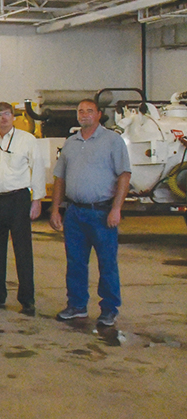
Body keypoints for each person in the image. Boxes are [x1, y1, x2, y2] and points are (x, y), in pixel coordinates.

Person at [50, 99, 131, 327]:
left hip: (102, 213)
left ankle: (109, 309)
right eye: (80, 111)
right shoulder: (70, 143)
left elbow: (124, 175)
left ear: (98, 114)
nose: (84, 114)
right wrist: (56, 209)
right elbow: (60, 178)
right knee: (75, 262)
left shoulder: (112, 141)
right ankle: (76, 306)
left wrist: (116, 209)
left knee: (107, 263)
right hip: (75, 213)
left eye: (89, 111)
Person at [0, 102, 47, 316]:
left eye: (7, 114)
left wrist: (36, 199)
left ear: (14, 116)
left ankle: (27, 300)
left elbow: (37, 169)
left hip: (18, 199)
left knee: (23, 251)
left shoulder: (27, 140)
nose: (3, 118)